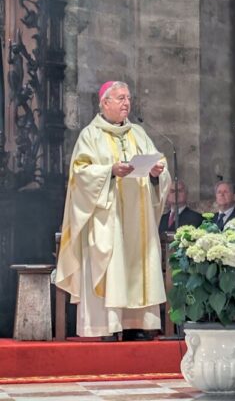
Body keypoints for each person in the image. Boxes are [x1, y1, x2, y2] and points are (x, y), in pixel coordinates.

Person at [55, 81, 171, 338]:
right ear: (104, 103)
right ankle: (108, 326)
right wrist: (109, 171)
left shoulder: (139, 134)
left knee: (137, 265)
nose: (126, 103)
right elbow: (78, 174)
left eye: (128, 98)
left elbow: (159, 164)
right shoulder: (90, 135)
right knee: (112, 265)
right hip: (108, 219)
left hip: (138, 220)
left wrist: (156, 173)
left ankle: (137, 325)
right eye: (120, 98)